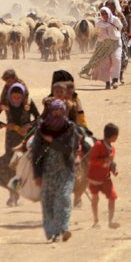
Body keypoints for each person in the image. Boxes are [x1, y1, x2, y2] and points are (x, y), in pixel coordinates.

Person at [0, 83, 39, 206]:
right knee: (11, 165)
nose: (16, 99)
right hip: (11, 139)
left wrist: (29, 125)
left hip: (27, 137)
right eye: (13, 97)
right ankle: (13, 195)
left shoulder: (28, 103)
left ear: (23, 95)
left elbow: (39, 118)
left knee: (27, 164)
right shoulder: (5, 104)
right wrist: (5, 125)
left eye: (18, 97)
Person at [32, 99, 81, 242]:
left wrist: (52, 142)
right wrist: (37, 174)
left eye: (60, 110)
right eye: (54, 110)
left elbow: (69, 149)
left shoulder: (70, 128)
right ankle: (52, 232)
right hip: (47, 171)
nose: (57, 113)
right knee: (48, 202)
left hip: (65, 169)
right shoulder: (42, 129)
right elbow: (36, 152)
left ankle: (63, 229)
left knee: (64, 198)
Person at [80, 7, 123, 89]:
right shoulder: (99, 23)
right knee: (104, 63)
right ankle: (107, 82)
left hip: (115, 43)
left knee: (116, 59)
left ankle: (115, 80)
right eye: (102, 14)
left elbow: (120, 27)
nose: (104, 15)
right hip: (104, 45)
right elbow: (96, 32)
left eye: (106, 13)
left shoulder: (115, 20)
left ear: (109, 13)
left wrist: (114, 35)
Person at [88, 124, 120, 229]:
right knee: (95, 198)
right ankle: (95, 220)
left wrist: (113, 170)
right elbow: (91, 160)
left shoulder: (112, 149)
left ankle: (110, 221)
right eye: (116, 135)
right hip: (94, 177)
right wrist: (104, 160)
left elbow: (111, 163)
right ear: (112, 136)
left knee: (112, 197)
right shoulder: (98, 145)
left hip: (105, 178)